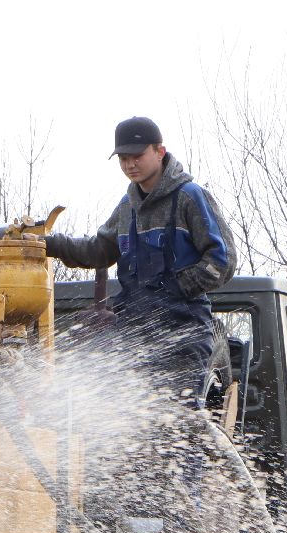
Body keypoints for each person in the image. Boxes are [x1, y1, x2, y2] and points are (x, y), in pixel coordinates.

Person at [45, 116, 237, 406]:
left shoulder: (189, 197)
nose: (130, 164)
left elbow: (222, 260)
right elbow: (99, 250)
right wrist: (50, 244)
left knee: (179, 415)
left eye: (137, 156)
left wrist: (177, 290)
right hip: (134, 327)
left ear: (159, 151)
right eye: (123, 159)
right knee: (123, 411)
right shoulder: (127, 207)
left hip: (182, 330)